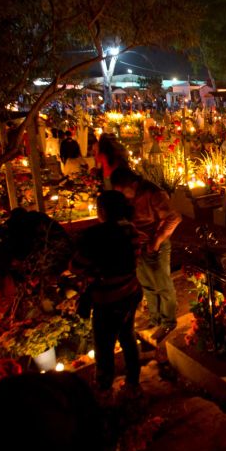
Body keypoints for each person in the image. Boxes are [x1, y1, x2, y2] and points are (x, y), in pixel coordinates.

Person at [70, 190, 142, 393]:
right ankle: (133, 382)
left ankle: (104, 388)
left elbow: (76, 266)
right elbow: (135, 256)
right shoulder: (131, 229)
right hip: (130, 291)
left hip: (109, 299)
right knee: (127, 336)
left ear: (103, 210)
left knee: (104, 346)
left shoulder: (96, 236)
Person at [109, 166, 182, 340]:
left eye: (123, 192)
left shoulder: (153, 193)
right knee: (147, 285)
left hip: (154, 246)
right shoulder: (128, 199)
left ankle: (168, 322)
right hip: (137, 245)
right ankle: (155, 318)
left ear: (133, 184)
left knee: (162, 285)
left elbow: (174, 217)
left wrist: (156, 241)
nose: (123, 197)